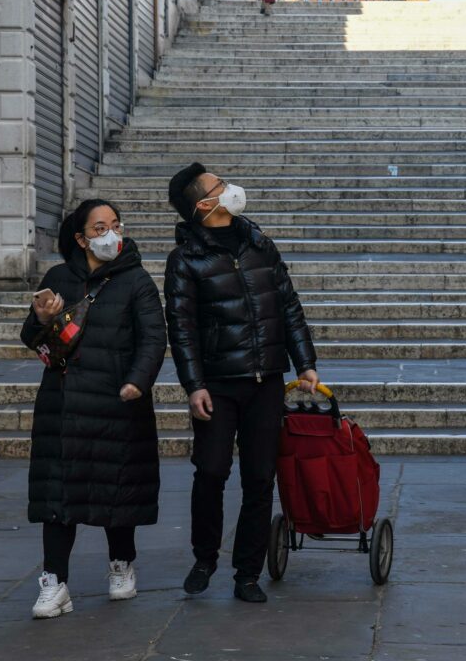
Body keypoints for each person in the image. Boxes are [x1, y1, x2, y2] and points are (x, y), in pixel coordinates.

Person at [164, 163, 319, 604]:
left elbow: (288, 304)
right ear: (204, 203)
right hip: (218, 383)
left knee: (259, 477)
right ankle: (205, 557)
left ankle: (247, 572)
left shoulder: (257, 242)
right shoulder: (186, 260)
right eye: (220, 185)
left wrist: (304, 362)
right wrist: (194, 385)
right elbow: (182, 328)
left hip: (266, 378)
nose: (230, 188)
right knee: (211, 470)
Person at [21, 199, 167, 620]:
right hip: (64, 401)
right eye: (101, 227)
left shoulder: (136, 280)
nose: (112, 234)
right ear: (82, 238)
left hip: (118, 399)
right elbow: (33, 338)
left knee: (116, 487)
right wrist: (39, 318)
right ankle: (54, 581)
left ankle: (121, 564)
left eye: (116, 225)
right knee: (57, 494)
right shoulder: (58, 278)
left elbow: (153, 338)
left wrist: (137, 380)